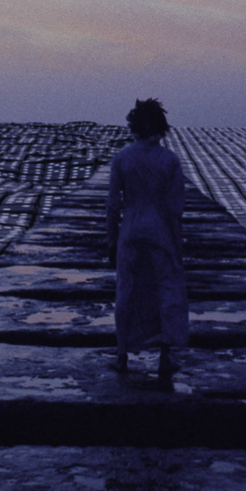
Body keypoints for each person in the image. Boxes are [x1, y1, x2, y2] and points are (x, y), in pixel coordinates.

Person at [106, 98, 188, 378]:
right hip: (160, 233)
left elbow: (113, 205)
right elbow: (175, 208)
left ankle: (121, 355)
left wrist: (111, 239)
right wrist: (177, 245)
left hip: (130, 231)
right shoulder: (170, 161)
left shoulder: (122, 158)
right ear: (161, 127)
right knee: (168, 290)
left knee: (125, 292)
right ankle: (165, 355)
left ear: (134, 126)